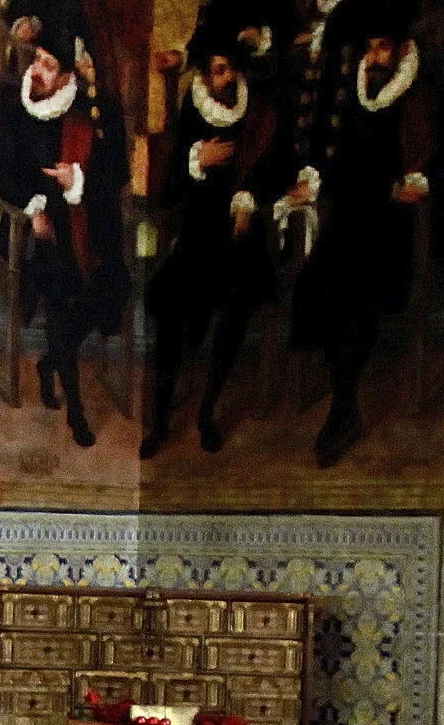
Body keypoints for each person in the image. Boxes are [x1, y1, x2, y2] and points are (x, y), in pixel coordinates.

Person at [281, 0, 430, 464]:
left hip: (396, 220)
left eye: (382, 49)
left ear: (402, 49)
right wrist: (316, 180)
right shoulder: (356, 86)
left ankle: (343, 410)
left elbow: (439, 156)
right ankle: (345, 406)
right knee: (323, 284)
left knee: (358, 289)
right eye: (369, 49)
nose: (374, 58)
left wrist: (420, 182)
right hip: (351, 208)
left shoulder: (418, 92)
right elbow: (337, 151)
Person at [142, 39, 282, 458]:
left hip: (240, 236)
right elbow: (167, 191)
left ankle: (207, 412)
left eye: (226, 70)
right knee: (170, 309)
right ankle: (161, 420)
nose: (220, 79)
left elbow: (274, 168)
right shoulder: (193, 106)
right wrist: (195, 162)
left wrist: (248, 200)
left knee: (236, 307)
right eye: (213, 71)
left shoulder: (259, 112)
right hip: (197, 232)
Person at [0, 25, 129, 448]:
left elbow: (116, 174)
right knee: (61, 291)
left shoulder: (93, 110)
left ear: (68, 77)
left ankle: (50, 362)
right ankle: (76, 411)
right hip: (37, 227)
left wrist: (77, 180)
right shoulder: (16, 107)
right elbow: (6, 175)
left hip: (86, 221)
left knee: (111, 287)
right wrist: (34, 209)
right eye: (37, 61)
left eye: (49, 65)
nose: (37, 70)